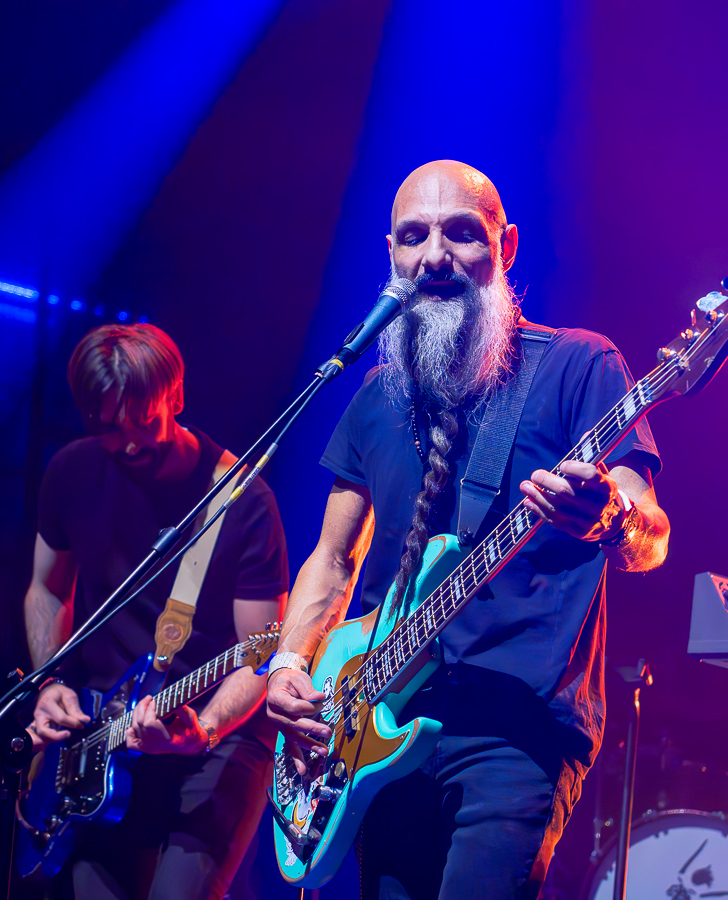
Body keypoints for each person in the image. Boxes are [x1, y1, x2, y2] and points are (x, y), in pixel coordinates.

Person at [266, 160, 670, 899]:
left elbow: (653, 534)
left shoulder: (578, 365)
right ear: (391, 253)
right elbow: (332, 557)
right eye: (413, 237)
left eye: (461, 232)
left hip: (516, 729)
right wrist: (290, 664)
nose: (434, 255)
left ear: (505, 246)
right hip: (377, 723)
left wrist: (612, 517)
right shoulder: (375, 393)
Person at [24, 323, 290, 900]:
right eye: (108, 427)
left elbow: (262, 654)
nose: (129, 443)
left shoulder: (242, 502)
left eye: (144, 420)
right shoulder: (71, 472)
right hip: (102, 736)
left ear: (176, 396)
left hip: (215, 734)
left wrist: (204, 730)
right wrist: (51, 682)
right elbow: (47, 589)